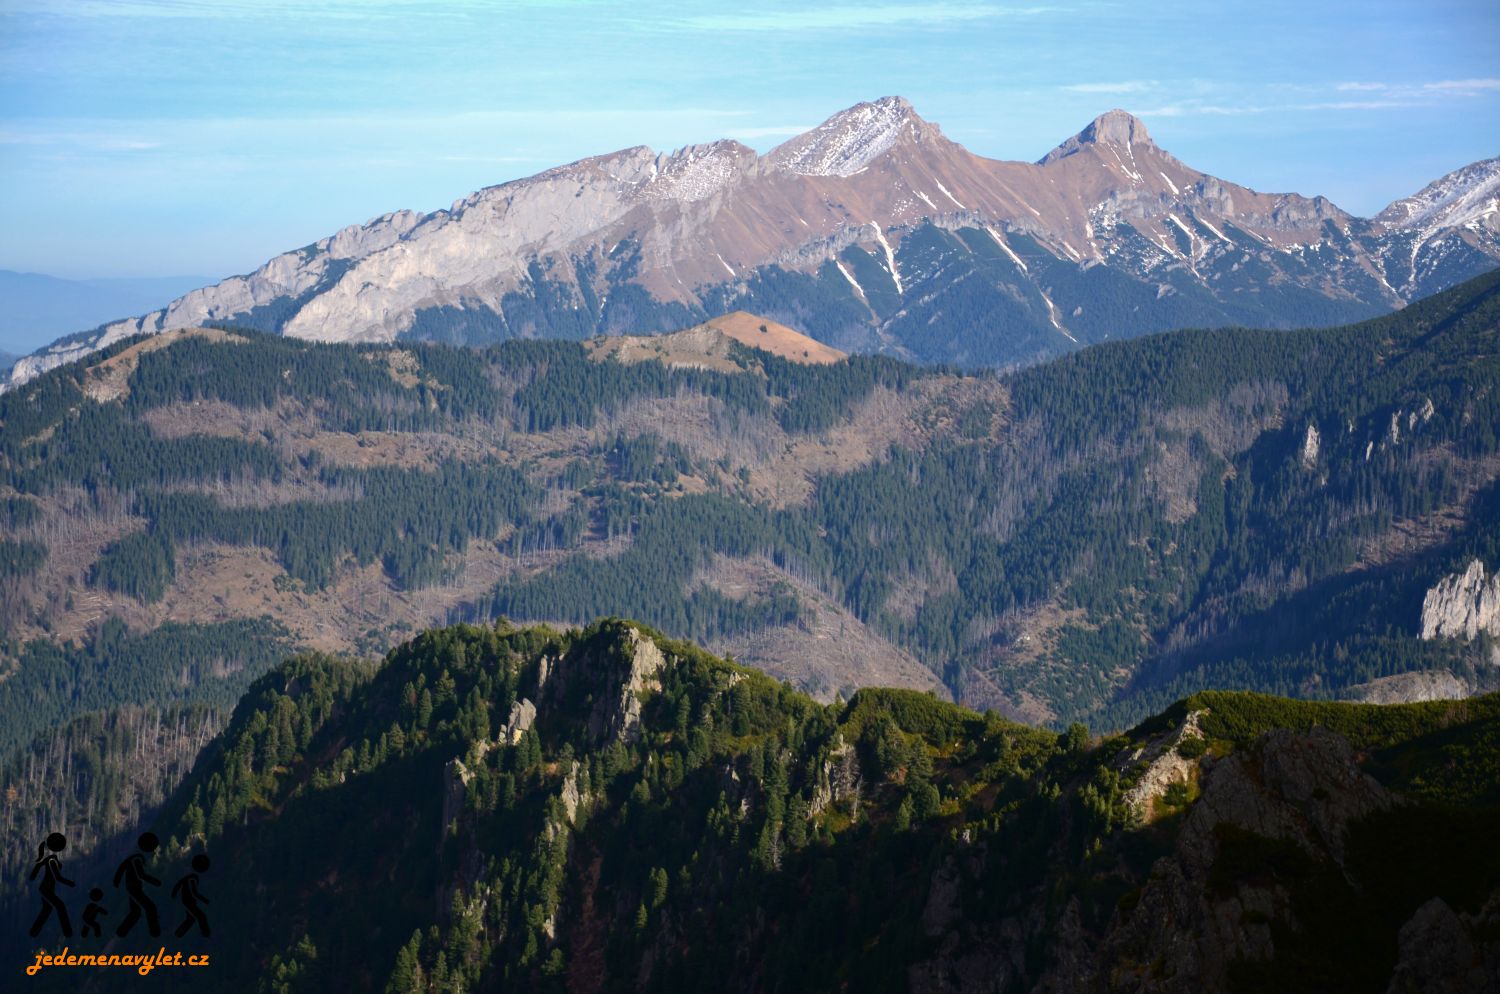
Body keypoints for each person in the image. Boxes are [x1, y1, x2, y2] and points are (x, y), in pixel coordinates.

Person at [113, 832, 162, 938]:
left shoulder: (133, 858)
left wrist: (116, 881)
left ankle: (121, 932)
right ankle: (154, 932)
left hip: (132, 887)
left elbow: (122, 868)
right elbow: (141, 875)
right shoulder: (137, 859)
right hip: (134, 888)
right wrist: (154, 881)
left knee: (136, 912)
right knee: (150, 907)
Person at [28, 832, 74, 937]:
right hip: (46, 888)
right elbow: (58, 877)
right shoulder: (52, 861)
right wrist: (70, 883)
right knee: (60, 906)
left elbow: (38, 865)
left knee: (47, 909)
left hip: (46, 888)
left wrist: (33, 876)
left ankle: (34, 931)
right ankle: (67, 932)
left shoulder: (50, 859)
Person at [171, 854, 211, 938]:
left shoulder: (188, 878)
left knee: (191, 919)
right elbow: (194, 893)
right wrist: (204, 900)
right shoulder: (192, 878)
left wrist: (174, 894)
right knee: (201, 916)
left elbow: (179, 885)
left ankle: (178, 934)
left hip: (187, 901)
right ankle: (205, 933)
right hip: (189, 902)